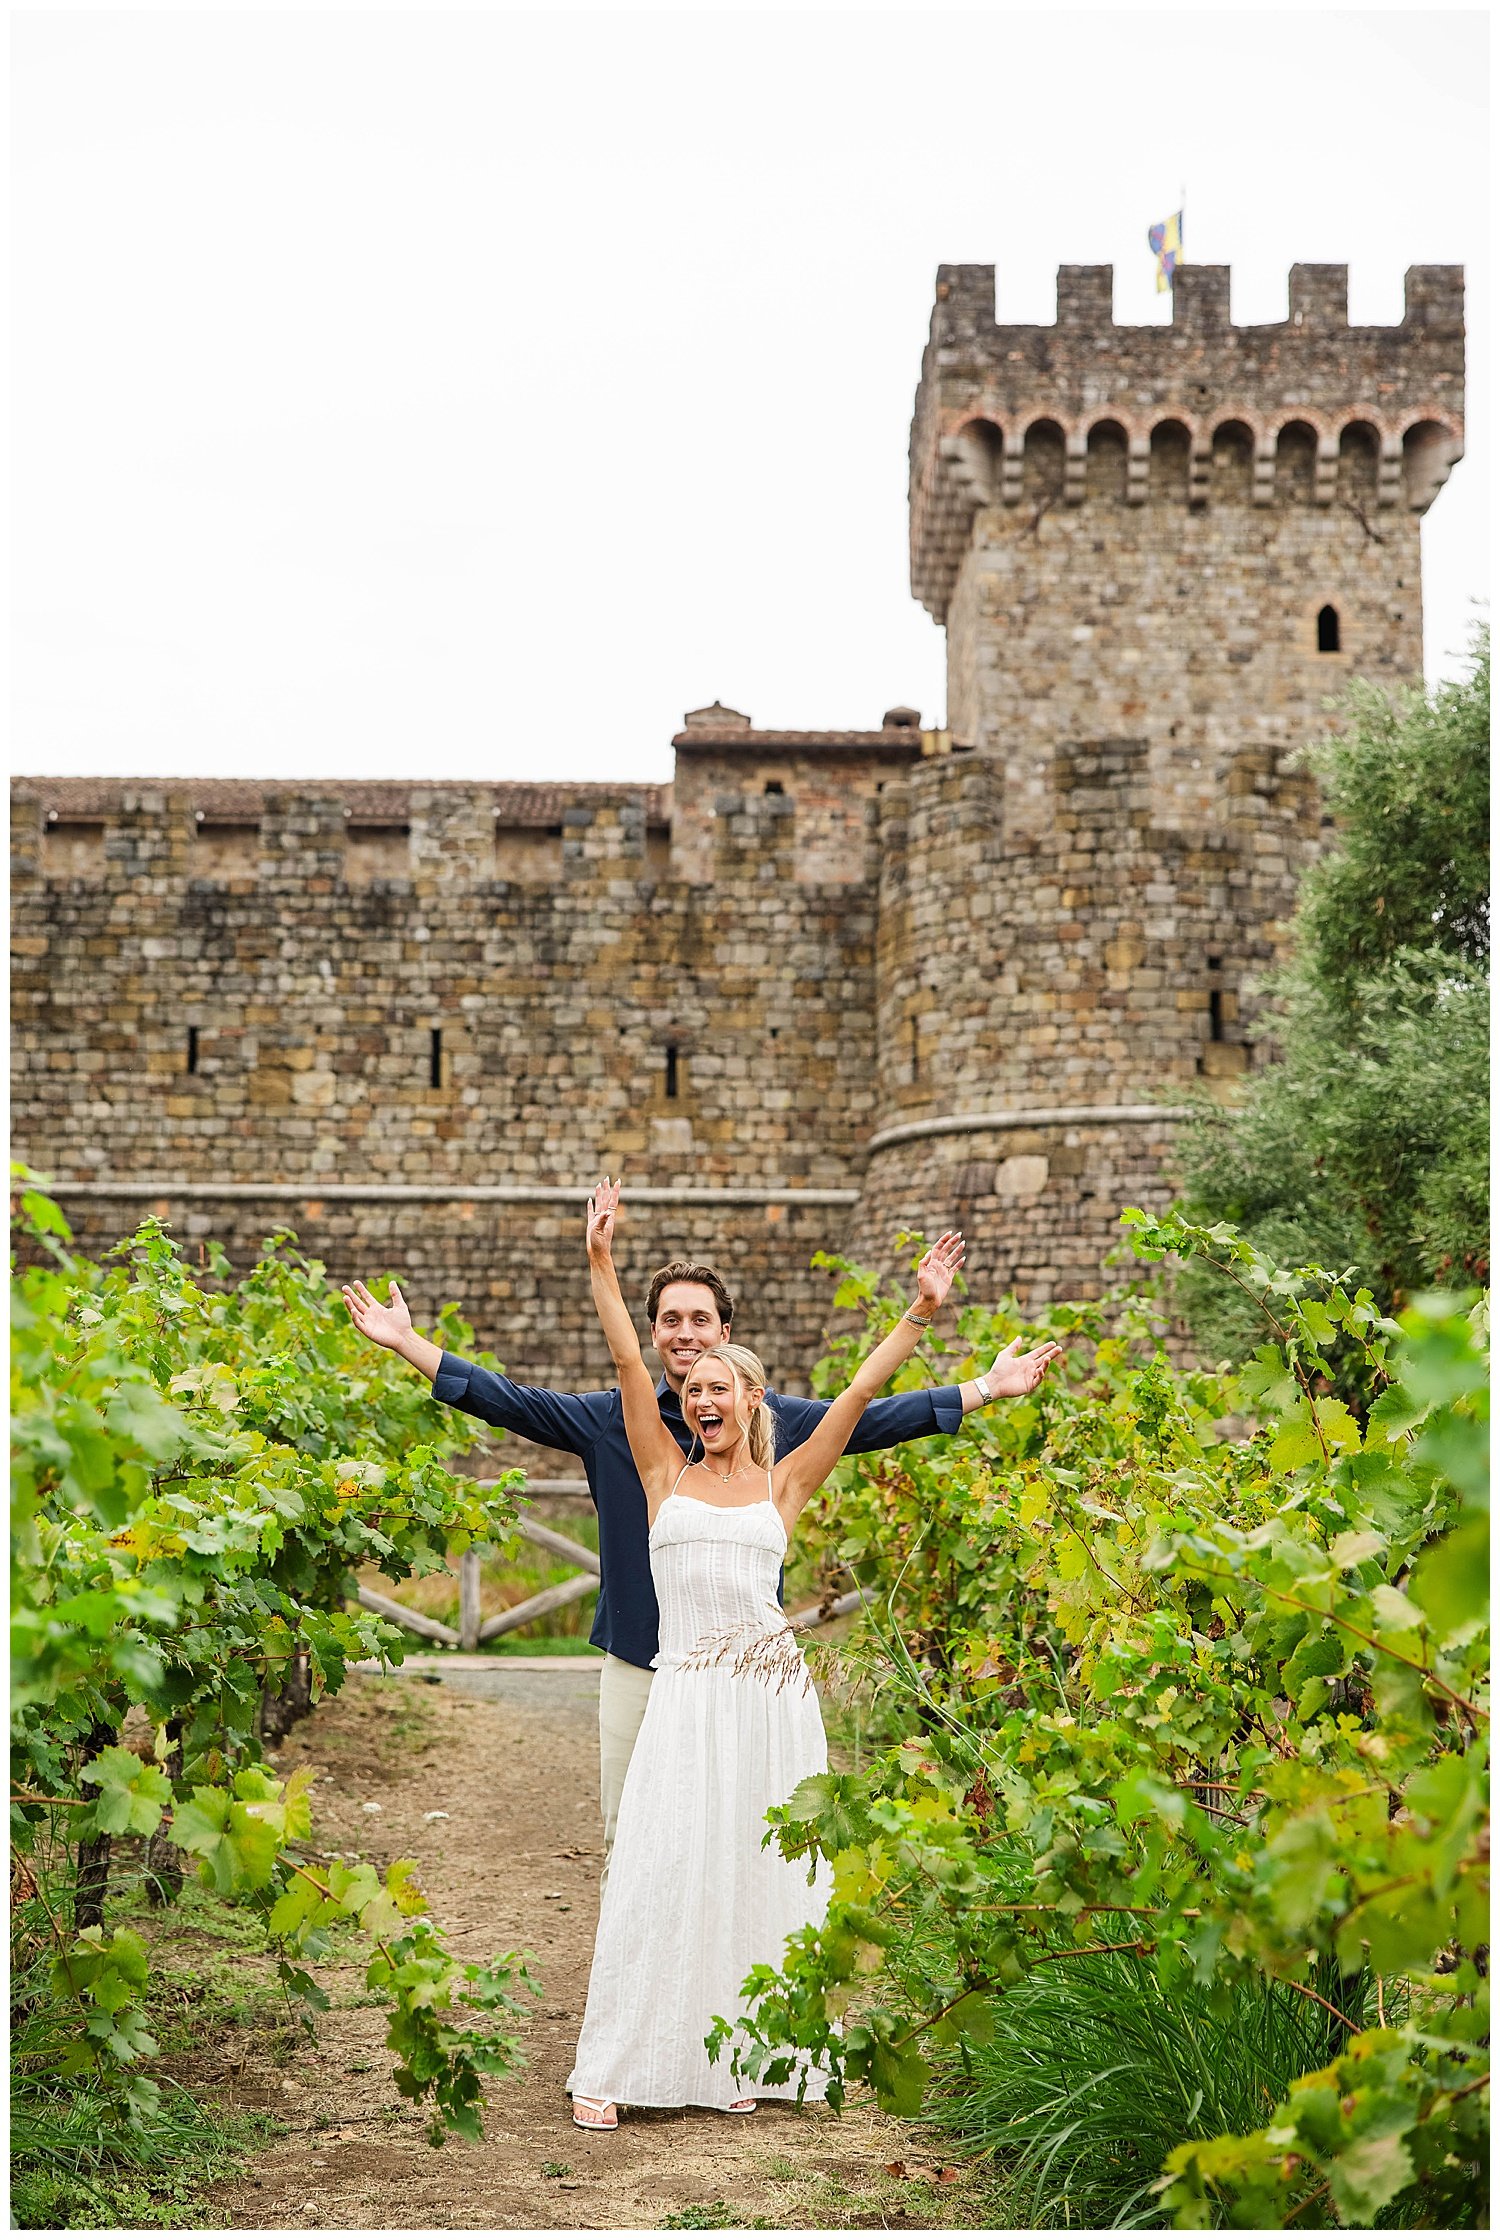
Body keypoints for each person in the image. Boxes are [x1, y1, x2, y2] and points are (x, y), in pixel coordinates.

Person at [341, 1228, 1060, 1889]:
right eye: (671, 1320)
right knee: (630, 1833)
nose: (686, 1334)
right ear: (654, 1332)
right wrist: (410, 1345)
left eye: (700, 1321)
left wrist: (983, 1388)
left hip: (744, 1678)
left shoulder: (774, 1426)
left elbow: (867, 1411)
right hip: (639, 1662)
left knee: (745, 1841)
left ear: (727, 1339)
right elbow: (509, 1401)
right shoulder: (619, 1422)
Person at [567, 1178, 969, 2128]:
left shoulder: (785, 1485)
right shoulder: (663, 1472)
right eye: (692, 1388)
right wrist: (601, 1262)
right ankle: (611, 2067)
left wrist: (918, 1312)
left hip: (770, 1703)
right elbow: (629, 1360)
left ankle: (742, 2052)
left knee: (756, 1871)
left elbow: (862, 1393)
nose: (701, 1397)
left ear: (749, 1399)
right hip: (688, 1693)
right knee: (657, 1866)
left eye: (718, 1387)